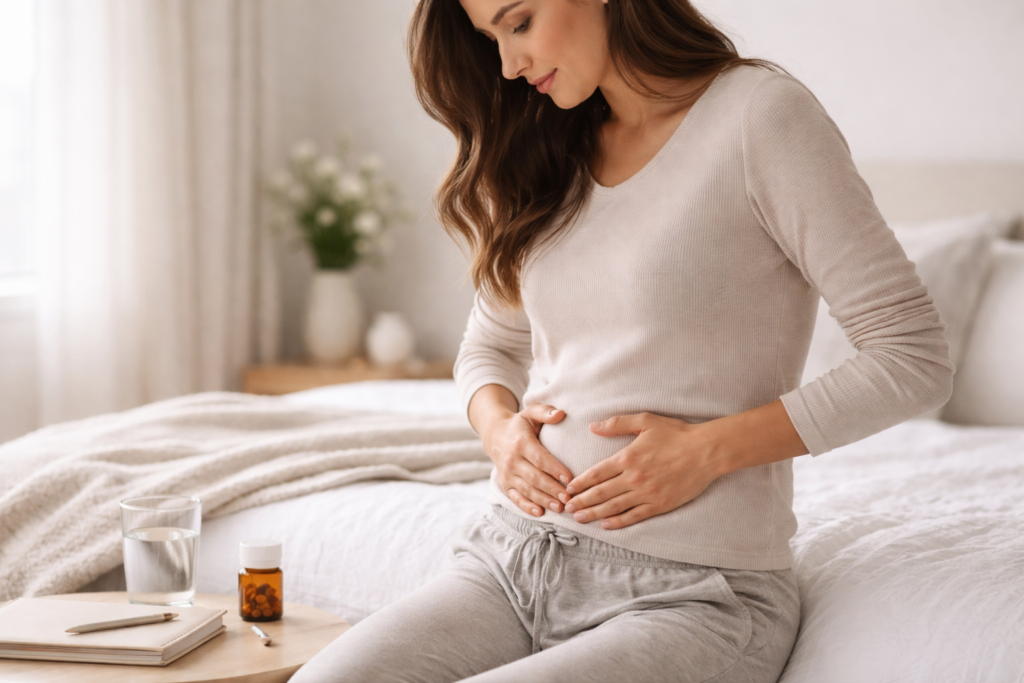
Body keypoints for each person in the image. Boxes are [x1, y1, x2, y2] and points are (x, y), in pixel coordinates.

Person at [292, 0, 954, 681]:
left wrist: (705, 450)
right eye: (491, 38)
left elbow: (913, 355)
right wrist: (501, 434)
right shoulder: (547, 146)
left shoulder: (761, 117)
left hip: (694, 594)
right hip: (513, 560)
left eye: (518, 24)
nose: (508, 65)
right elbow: (488, 348)